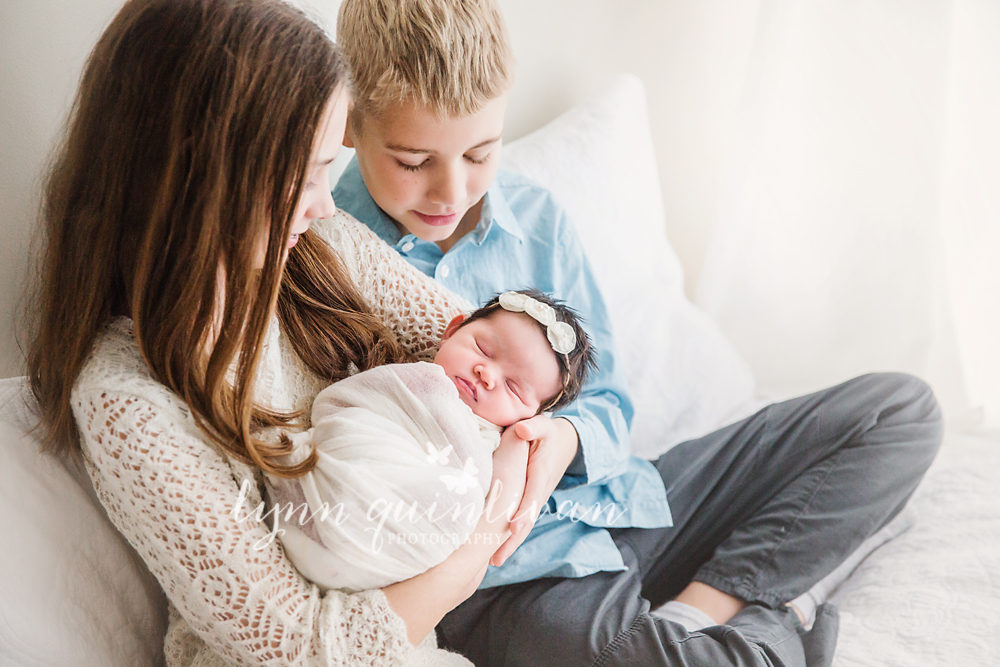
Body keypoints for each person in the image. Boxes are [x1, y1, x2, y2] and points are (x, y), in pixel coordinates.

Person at [330, 0, 945, 665]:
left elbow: (610, 401)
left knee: (901, 413)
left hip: (623, 501)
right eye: (414, 160)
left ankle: (706, 605)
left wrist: (561, 437)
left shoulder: (535, 217)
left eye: (481, 152)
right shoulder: (329, 254)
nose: (452, 191)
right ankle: (778, 614)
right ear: (348, 127)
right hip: (519, 578)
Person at [25, 0, 532, 664]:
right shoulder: (128, 404)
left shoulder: (324, 250)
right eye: (309, 173)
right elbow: (304, 650)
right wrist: (482, 536)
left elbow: (517, 375)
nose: (326, 202)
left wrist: (542, 443)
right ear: (204, 179)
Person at [270, 290, 597, 593]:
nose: (487, 374)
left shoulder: (499, 446)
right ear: (453, 330)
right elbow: (343, 403)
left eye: (513, 388)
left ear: (533, 416)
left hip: (384, 558)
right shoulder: (409, 378)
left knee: (465, 497)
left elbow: (479, 525)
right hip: (322, 497)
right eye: (484, 350)